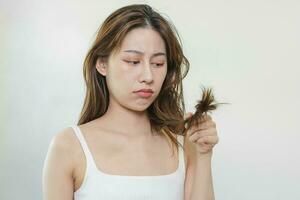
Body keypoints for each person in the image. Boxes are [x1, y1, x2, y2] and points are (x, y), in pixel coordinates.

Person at [42, 4, 219, 200]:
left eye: (158, 64)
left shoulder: (184, 145)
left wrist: (203, 155)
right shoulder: (68, 147)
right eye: (133, 61)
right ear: (102, 64)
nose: (148, 76)